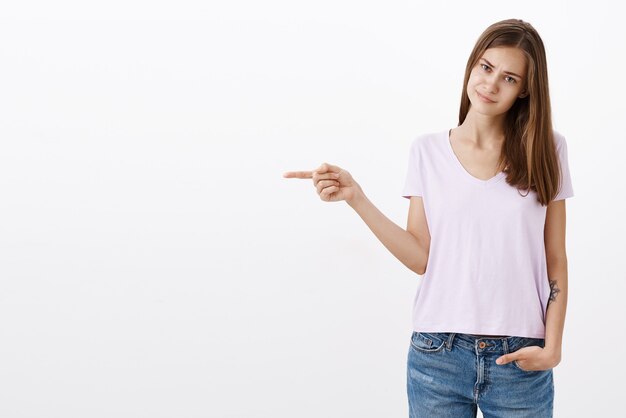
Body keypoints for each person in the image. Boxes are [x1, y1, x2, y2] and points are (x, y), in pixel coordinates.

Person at [283, 18, 573, 417]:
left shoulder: (548, 150)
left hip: (520, 357)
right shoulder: (427, 151)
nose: (490, 84)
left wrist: (553, 345)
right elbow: (421, 256)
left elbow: (555, 257)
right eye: (486, 68)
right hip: (438, 355)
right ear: (472, 66)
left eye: (508, 78)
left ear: (524, 89)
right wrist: (357, 198)